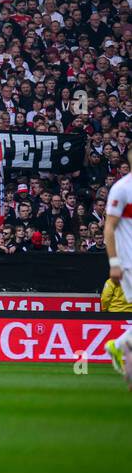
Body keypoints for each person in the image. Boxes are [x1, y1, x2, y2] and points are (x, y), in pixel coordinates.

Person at [102, 156, 132, 384]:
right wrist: (114, 263)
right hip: (129, 261)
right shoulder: (121, 189)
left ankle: (119, 345)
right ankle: (120, 345)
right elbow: (109, 228)